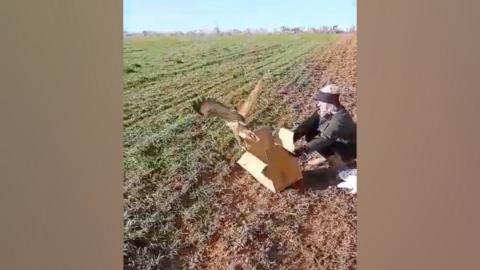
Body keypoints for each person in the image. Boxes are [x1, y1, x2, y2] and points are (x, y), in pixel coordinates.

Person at [293, 84, 357, 167]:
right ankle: (327, 156)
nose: (318, 104)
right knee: (310, 135)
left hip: (349, 147)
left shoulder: (341, 119)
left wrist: (302, 150)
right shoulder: (325, 111)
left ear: (329, 103)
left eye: (321, 102)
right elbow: (307, 125)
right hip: (335, 140)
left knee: (320, 141)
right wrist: (293, 137)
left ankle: (338, 160)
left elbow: (326, 138)